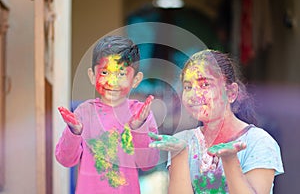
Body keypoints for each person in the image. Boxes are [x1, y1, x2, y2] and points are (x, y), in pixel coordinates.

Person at [149, 49, 284, 194]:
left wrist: (230, 159)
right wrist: (179, 154)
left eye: (205, 85)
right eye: (188, 87)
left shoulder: (259, 142)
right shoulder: (182, 142)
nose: (194, 95)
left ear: (231, 92)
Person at [56, 35, 159, 194]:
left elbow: (148, 163)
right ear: (92, 76)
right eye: (105, 72)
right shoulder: (84, 112)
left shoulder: (141, 115)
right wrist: (74, 132)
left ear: (136, 79)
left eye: (121, 74)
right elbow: (65, 160)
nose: (112, 82)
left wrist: (138, 127)